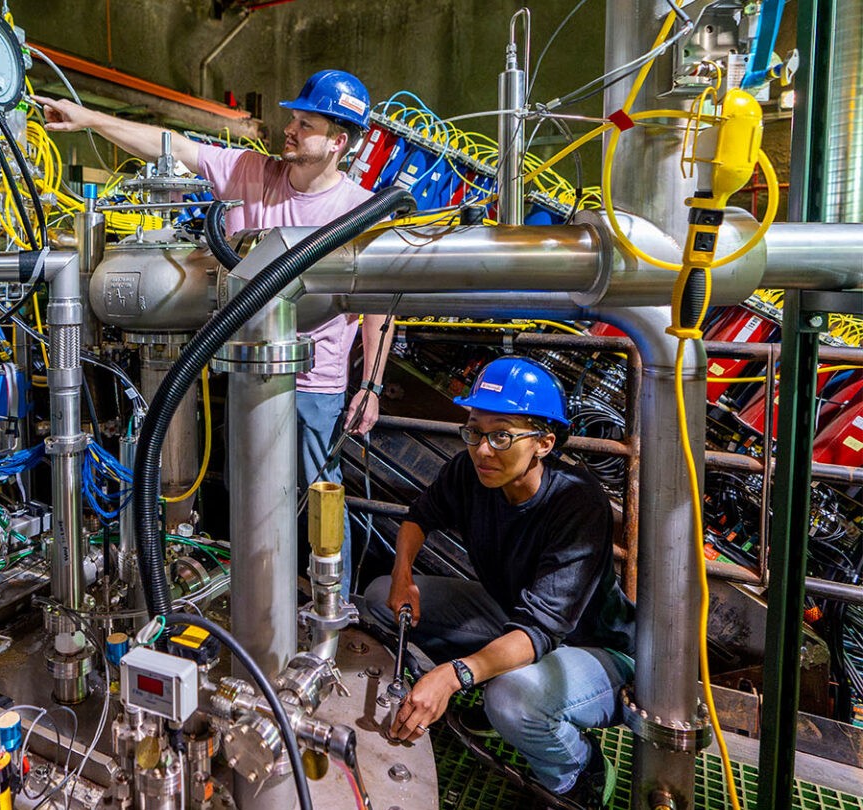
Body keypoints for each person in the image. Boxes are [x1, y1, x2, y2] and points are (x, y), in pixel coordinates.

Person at [37, 70, 393, 596]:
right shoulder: (252, 172)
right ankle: (256, 598)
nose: (288, 129)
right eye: (291, 118)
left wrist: (372, 386)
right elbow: (174, 147)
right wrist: (86, 118)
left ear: (338, 142)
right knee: (246, 493)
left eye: (305, 124)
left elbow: (378, 310)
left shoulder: (358, 209)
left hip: (313, 387)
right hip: (240, 372)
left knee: (318, 495)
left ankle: (327, 611)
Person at [362, 357, 636, 809]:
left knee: (511, 696)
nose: (483, 449)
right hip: (513, 617)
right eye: (474, 430)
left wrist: (452, 676)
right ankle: (482, 703)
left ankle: (575, 775)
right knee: (377, 599)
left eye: (502, 435)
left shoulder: (577, 502)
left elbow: (542, 631)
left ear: (545, 442)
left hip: (597, 648)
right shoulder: (472, 472)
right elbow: (420, 517)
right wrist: (401, 575)